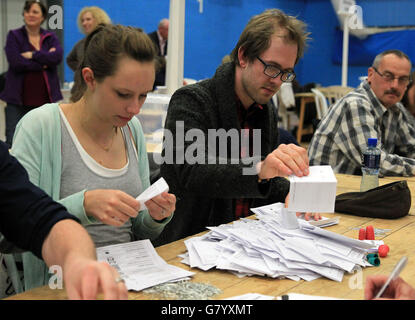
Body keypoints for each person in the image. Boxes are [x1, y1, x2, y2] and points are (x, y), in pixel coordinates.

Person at [10, 24, 176, 291]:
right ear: (89, 78)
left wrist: (155, 216)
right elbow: (13, 230)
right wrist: (82, 205)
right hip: (60, 287)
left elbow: (137, 229)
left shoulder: (130, 129)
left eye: (144, 95)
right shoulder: (41, 127)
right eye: (123, 94)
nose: (134, 108)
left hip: (128, 282)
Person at [155, 9, 320, 246]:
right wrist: (261, 168)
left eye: (285, 73)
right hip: (190, 244)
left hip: (245, 243)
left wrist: (291, 192)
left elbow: (263, 183)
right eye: (271, 68)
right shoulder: (191, 100)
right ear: (243, 56)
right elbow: (190, 172)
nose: (276, 80)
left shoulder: (265, 109)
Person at [0, 140, 127, 299]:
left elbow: (42, 219)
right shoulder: (41, 128)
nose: (134, 113)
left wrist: (78, 260)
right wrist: (83, 205)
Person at [308, 49, 415, 176]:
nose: (395, 85)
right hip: (329, 191)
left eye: (403, 79)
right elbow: (374, 164)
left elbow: (411, 148)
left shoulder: (395, 109)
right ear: (370, 74)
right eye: (388, 76)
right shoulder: (355, 104)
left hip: (361, 188)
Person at [0, 0, 63, 149]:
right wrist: (44, 62)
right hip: (17, 100)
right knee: (14, 141)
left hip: (45, 99)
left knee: (46, 140)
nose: (30, 15)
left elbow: (57, 57)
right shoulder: (14, 35)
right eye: (28, 11)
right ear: (23, 14)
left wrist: (32, 55)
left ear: (43, 17)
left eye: (35, 12)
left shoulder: (50, 37)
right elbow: (16, 62)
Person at [66, 6, 111, 72]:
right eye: (82, 20)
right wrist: (82, 71)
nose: (84, 23)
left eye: (88, 19)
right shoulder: (81, 44)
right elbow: (70, 59)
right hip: (84, 82)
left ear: (98, 19)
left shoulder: (108, 40)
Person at [148, 18, 169, 87]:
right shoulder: (149, 39)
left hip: (164, 76)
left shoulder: (169, 41)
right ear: (160, 29)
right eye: (168, 30)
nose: (170, 32)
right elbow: (151, 60)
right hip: (152, 74)